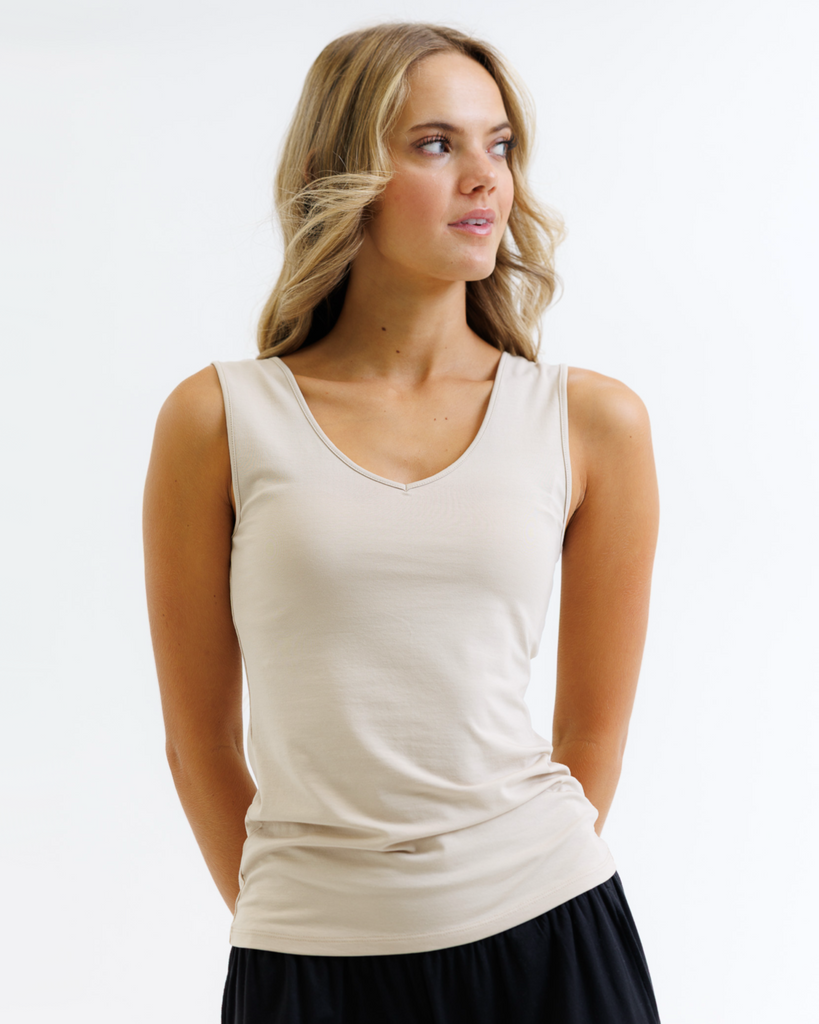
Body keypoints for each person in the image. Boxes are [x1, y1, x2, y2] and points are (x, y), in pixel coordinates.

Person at [143, 20, 662, 1024]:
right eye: (436, 143)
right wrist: (308, 916)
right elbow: (197, 738)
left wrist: (493, 889)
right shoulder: (218, 420)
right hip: (311, 955)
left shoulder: (592, 423)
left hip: (551, 937)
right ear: (344, 170)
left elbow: (592, 728)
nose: (485, 177)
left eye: (499, 143)